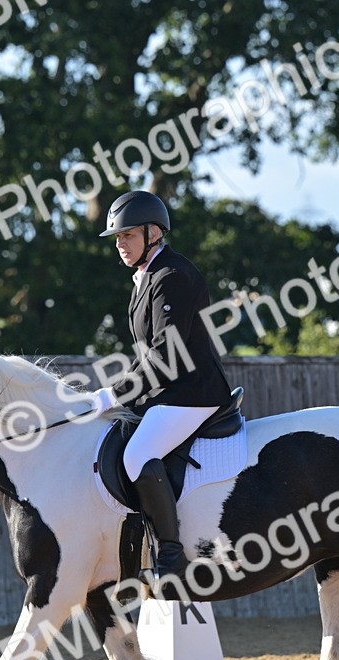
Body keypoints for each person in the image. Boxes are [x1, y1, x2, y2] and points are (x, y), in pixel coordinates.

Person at [89, 190, 232, 579]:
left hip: (192, 393)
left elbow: (166, 357)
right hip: (166, 392)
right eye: (117, 238)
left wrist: (113, 394)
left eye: (128, 235)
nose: (120, 244)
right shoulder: (144, 278)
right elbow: (145, 355)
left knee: (137, 455)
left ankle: (171, 555)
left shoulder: (172, 276)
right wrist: (116, 393)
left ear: (154, 233)